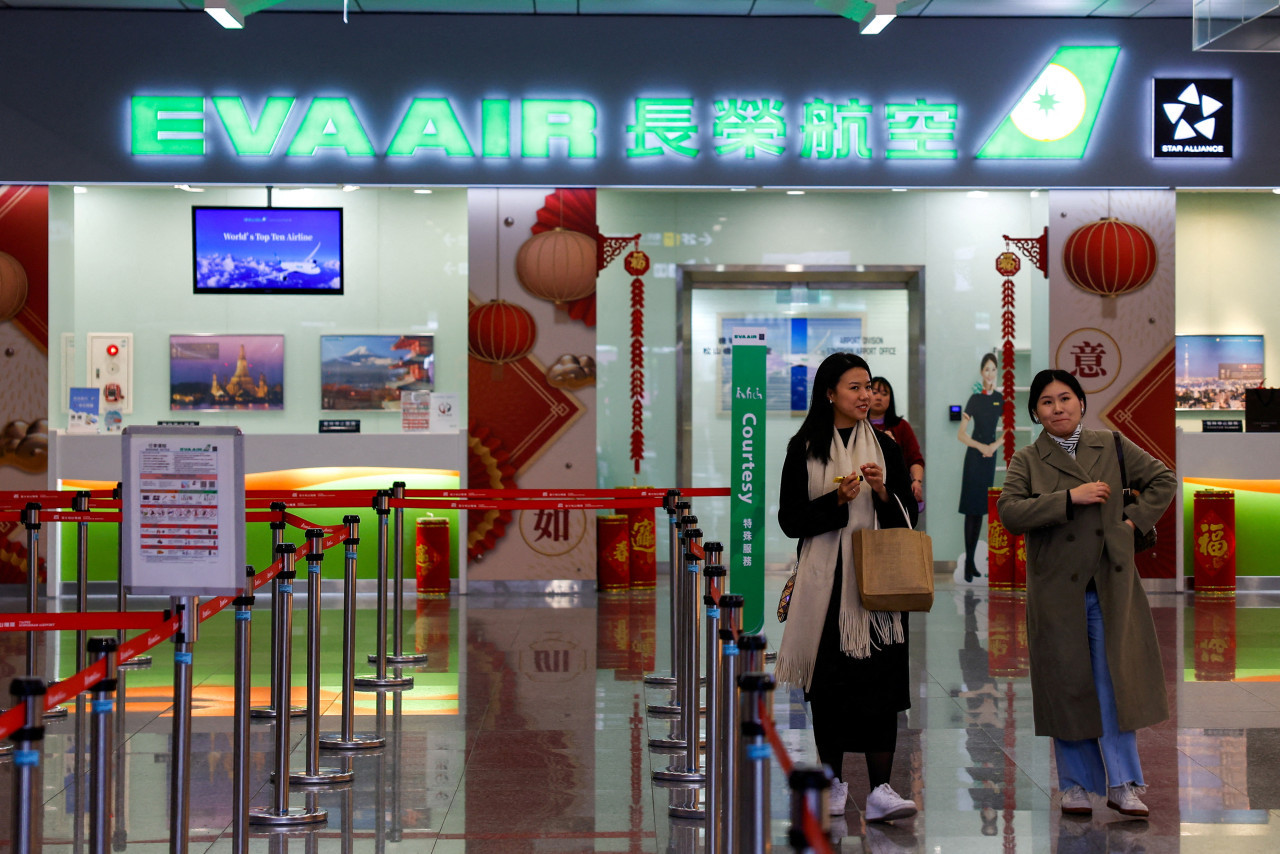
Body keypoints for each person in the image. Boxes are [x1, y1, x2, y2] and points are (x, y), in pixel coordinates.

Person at [997, 369, 1176, 819]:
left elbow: (1163, 480)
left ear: (1080, 402)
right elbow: (1011, 513)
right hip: (1058, 590)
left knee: (1115, 683)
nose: (1057, 408)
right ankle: (1075, 785)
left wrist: (1130, 525)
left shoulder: (1111, 444)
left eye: (1065, 398)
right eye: (1046, 402)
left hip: (1110, 585)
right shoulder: (1028, 459)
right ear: (1035, 412)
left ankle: (1123, 783)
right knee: (1066, 684)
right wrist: (1068, 498)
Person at [774, 352, 919, 822]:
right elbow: (790, 520)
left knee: (882, 683)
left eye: (869, 386)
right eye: (854, 387)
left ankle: (881, 789)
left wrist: (881, 493)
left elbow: (907, 520)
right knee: (831, 687)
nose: (865, 396)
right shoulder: (806, 448)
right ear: (830, 393)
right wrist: (836, 499)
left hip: (878, 586)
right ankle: (832, 782)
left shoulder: (887, 447)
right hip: (826, 588)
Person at [956, 353, 1006, 582]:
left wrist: (993, 446)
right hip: (975, 459)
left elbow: (1009, 430)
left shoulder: (1000, 399)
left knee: (981, 511)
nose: (990, 373)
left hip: (989, 458)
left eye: (993, 369)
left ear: (997, 372)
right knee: (971, 511)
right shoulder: (974, 398)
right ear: (981, 372)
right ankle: (968, 564)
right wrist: (981, 447)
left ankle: (972, 564)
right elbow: (961, 434)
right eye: (986, 369)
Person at [869, 376, 925, 511]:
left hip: (896, 491)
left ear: (890, 399)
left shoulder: (901, 426)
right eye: (874, 392)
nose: (879, 397)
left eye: (884, 394)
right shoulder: (858, 425)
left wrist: (916, 481)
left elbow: (915, 459)